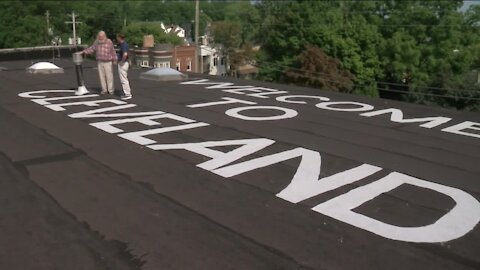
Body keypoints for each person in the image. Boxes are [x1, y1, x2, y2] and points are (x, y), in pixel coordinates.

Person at [81, 31, 116, 95]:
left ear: (105, 36)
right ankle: (104, 90)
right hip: (100, 62)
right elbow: (92, 49)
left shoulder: (109, 42)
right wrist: (83, 52)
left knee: (109, 77)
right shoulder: (97, 42)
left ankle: (110, 90)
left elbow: (113, 51)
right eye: (99, 37)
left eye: (102, 37)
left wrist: (115, 59)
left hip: (108, 62)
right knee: (102, 77)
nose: (101, 38)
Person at [116, 33, 132, 100]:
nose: (117, 39)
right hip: (125, 63)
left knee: (123, 79)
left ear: (120, 38)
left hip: (123, 63)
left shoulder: (123, 45)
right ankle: (127, 93)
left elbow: (125, 54)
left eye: (117, 38)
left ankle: (127, 94)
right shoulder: (124, 45)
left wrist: (122, 61)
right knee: (124, 78)